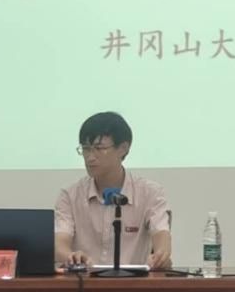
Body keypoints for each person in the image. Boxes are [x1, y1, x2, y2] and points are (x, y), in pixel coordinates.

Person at [54, 111, 172, 269]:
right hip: (84, 281)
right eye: (86, 149)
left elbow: (161, 234)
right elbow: (60, 243)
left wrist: (161, 256)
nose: (90, 157)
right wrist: (71, 256)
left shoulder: (150, 193)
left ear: (123, 148)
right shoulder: (70, 195)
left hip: (133, 282)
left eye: (99, 148)